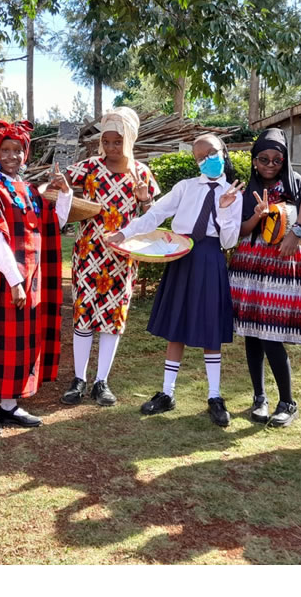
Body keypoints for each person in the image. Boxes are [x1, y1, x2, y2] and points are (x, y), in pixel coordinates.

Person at [107, 134, 244, 427]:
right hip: (182, 255)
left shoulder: (234, 193)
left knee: (210, 327)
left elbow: (229, 241)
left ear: (223, 151)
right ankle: (167, 393)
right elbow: (156, 214)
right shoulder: (185, 187)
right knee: (177, 326)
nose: (206, 160)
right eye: (200, 157)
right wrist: (124, 233)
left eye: (211, 153)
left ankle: (214, 396)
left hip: (211, 257)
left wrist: (224, 209)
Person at [0, 120, 73, 434]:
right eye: (5, 150)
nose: (11, 156)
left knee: (22, 342)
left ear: (25, 154)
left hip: (32, 280)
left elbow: (53, 224)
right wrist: (15, 281)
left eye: (17, 150)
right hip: (5, 280)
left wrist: (65, 193)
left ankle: (9, 404)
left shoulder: (28, 190)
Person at [60, 107, 160, 407]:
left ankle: (101, 381)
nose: (112, 147)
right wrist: (59, 188)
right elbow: (61, 182)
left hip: (122, 258)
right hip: (88, 253)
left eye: (118, 141)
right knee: (83, 314)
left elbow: (151, 219)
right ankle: (79, 379)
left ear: (129, 139)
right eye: (106, 141)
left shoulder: (141, 173)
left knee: (113, 318)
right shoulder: (90, 167)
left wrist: (144, 199)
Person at [228, 128, 301, 428]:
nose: (270, 164)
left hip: (281, 262)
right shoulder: (246, 189)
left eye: (277, 159)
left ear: (284, 160)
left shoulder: (294, 182)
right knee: (253, 332)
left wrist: (296, 231)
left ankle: (287, 402)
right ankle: (259, 397)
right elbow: (240, 230)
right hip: (249, 263)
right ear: (254, 160)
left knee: (271, 333)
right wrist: (257, 214)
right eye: (263, 159)